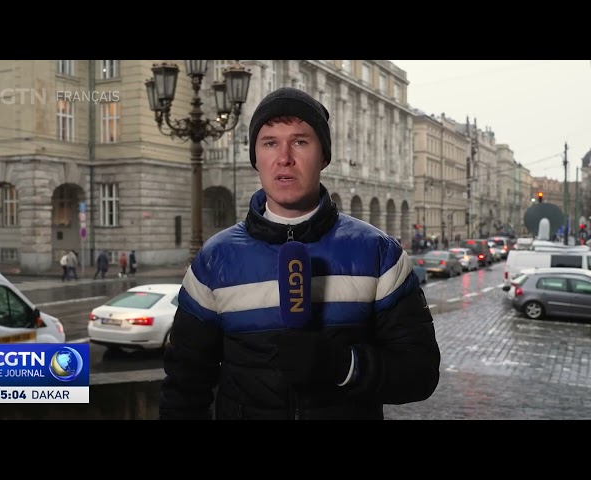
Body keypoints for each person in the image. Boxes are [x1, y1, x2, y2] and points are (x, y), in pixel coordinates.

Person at [159, 87, 440, 420]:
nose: (284, 158)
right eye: (269, 143)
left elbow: (420, 373)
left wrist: (343, 365)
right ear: (256, 158)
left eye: (300, 141)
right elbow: (184, 384)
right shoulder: (214, 259)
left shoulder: (379, 253)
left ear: (323, 155)